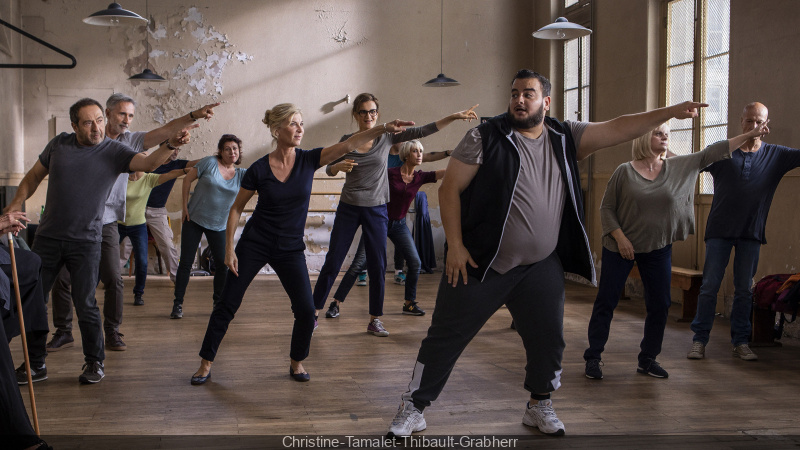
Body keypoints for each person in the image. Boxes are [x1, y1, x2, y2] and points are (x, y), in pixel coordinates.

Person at [386, 69, 707, 438]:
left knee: (549, 339)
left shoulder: (565, 136)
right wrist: (455, 247)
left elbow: (620, 126)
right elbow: (449, 190)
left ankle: (539, 403)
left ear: (546, 102)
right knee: (446, 336)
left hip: (539, 266)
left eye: (529, 94)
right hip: (482, 263)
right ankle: (414, 406)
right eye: (514, 93)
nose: (519, 100)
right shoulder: (485, 136)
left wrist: (669, 112)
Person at [189, 104, 413, 385]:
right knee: (227, 303)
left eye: (301, 124)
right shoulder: (259, 168)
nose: (300, 129)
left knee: (307, 310)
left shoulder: (309, 160)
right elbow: (236, 209)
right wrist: (229, 249)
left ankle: (297, 361)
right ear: (277, 130)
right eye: (293, 124)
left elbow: (347, 144)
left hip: (289, 248)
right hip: (255, 243)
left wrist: (382, 128)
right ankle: (205, 363)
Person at [3, 97, 193, 384]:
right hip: (48, 239)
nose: (97, 128)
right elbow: (31, 177)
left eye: (100, 120)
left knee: (86, 303)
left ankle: (94, 362)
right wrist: (15, 204)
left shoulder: (114, 150)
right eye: (89, 122)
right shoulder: (59, 145)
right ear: (74, 126)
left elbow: (150, 163)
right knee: (34, 303)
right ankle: (36, 364)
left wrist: (169, 145)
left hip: (87, 240)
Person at [583, 121, 770, 381]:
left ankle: (648, 359)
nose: (664, 138)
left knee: (660, 305)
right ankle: (593, 357)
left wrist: (749, 135)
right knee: (606, 302)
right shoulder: (624, 171)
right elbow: (607, 209)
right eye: (658, 133)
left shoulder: (677, 167)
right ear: (644, 136)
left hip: (658, 248)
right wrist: (620, 238)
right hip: (620, 248)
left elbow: (711, 153)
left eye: (667, 135)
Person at [45, 93, 217, 353]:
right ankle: (63, 330)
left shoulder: (130, 141)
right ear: (108, 114)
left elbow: (164, 132)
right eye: (121, 114)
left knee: (114, 277)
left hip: (108, 222)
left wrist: (193, 115)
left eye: (130, 115)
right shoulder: (88, 140)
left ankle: (112, 330)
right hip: (76, 222)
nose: (126, 120)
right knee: (63, 279)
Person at [312, 92, 477, 336]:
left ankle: (374, 319)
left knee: (378, 264)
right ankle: (313, 313)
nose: (368, 116)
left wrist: (453, 116)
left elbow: (423, 131)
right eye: (363, 112)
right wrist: (337, 167)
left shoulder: (387, 137)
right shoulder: (348, 140)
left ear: (377, 113)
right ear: (356, 115)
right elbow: (328, 168)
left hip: (377, 209)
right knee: (334, 261)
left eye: (372, 112)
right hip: (349, 207)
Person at [688, 102, 800, 361]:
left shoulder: (776, 154)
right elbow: (693, 162)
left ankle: (740, 341)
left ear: (767, 123)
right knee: (709, 286)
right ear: (741, 122)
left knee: (743, 289)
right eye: (749, 121)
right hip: (719, 230)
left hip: (751, 232)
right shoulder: (724, 152)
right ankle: (699, 340)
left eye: (759, 121)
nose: (754, 126)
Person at [325, 140, 445, 319]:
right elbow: (368, 179)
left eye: (421, 151)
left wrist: (467, 160)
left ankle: (409, 303)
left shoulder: (419, 177)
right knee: (359, 264)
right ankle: (335, 303)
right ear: (405, 155)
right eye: (415, 151)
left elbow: (447, 172)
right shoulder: (389, 174)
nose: (419, 154)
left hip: (399, 225)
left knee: (415, 263)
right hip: (377, 223)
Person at [171, 134, 247, 319]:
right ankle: (177, 304)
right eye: (227, 149)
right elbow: (187, 179)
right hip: (194, 219)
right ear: (220, 151)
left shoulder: (242, 174)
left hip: (220, 225)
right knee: (186, 263)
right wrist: (184, 208)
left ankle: (217, 303)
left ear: (239, 152)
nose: (232, 152)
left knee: (223, 265)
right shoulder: (209, 163)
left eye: (235, 149)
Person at [120, 150, 200, 284]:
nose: (176, 152)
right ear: (164, 147)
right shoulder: (150, 161)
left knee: (167, 245)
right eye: (173, 148)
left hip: (157, 211)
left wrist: (218, 156)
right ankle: (111, 279)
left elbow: (196, 163)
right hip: (135, 210)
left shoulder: (178, 164)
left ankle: (178, 280)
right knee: (124, 247)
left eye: (178, 149)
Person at [118, 167, 191, 306]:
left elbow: (172, 172)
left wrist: (186, 170)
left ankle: (173, 280)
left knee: (155, 252)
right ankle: (110, 281)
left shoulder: (154, 175)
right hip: (128, 218)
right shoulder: (125, 177)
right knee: (120, 252)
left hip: (148, 218)